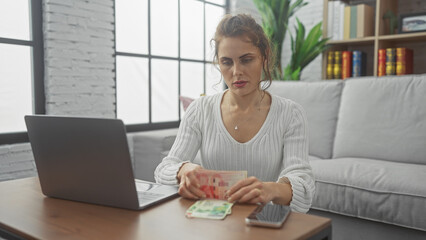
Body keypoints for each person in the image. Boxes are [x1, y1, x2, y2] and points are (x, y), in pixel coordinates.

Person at [154, 14, 314, 213]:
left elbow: (303, 185)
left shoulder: (291, 114)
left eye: (246, 60)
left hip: (260, 221)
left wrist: (270, 190)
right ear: (218, 64)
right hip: (211, 220)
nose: (236, 71)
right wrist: (183, 169)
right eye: (227, 62)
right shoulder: (200, 110)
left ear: (264, 58)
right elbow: (164, 168)